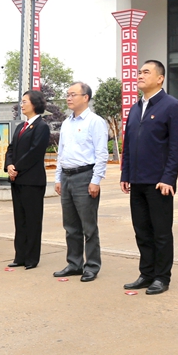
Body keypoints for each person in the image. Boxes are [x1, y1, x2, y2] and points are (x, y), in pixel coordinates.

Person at [120, 60, 178, 295]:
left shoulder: (173, 106)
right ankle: (146, 273)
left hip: (159, 183)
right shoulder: (136, 107)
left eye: (146, 72)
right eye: (139, 72)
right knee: (142, 231)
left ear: (160, 78)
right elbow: (128, 144)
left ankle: (161, 277)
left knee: (160, 232)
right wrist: (125, 173)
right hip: (136, 181)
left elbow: (176, 147)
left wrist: (168, 177)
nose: (140, 75)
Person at [53, 82, 109, 282]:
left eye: (73, 94)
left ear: (85, 97)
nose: (68, 98)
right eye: (67, 94)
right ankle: (74, 264)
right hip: (67, 177)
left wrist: (96, 180)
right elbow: (62, 152)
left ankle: (92, 266)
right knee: (70, 226)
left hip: (85, 176)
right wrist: (58, 177)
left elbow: (102, 154)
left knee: (89, 226)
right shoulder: (67, 123)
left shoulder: (95, 122)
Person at [5, 90, 50, 269]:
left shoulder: (41, 126)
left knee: (32, 220)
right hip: (17, 180)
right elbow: (10, 148)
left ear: (35, 104)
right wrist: (9, 165)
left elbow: (35, 152)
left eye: (25, 101)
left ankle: (31, 258)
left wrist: (17, 168)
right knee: (20, 219)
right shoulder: (20, 126)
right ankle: (20, 256)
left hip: (32, 180)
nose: (22, 104)